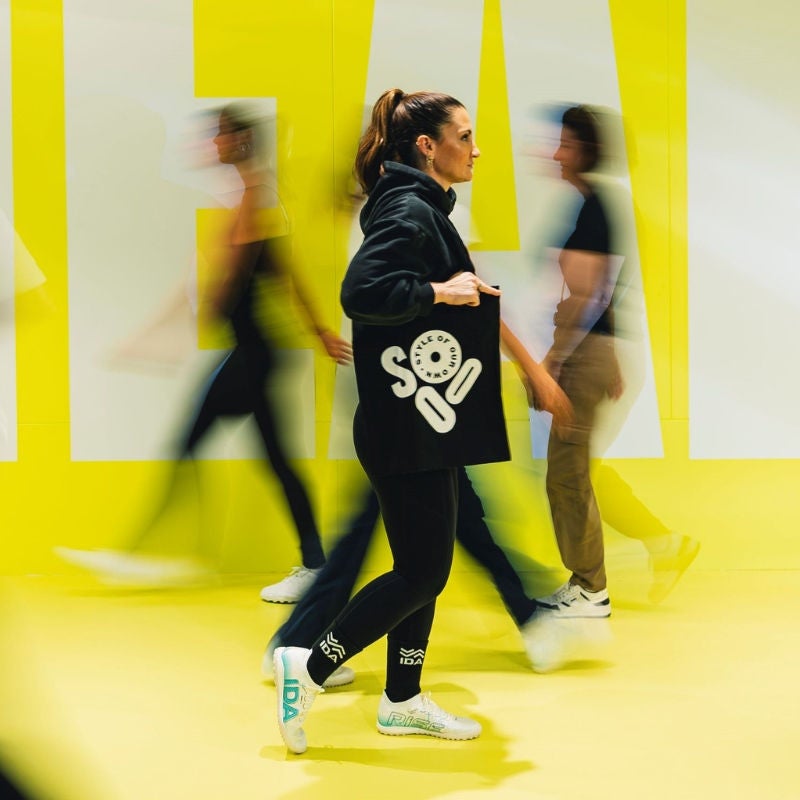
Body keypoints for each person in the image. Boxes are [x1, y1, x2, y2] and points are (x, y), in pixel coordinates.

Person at [273, 88, 518, 754]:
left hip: (419, 422)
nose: (476, 149)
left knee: (422, 565)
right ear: (426, 147)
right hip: (406, 427)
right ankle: (311, 663)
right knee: (423, 572)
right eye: (464, 137)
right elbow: (363, 291)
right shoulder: (410, 207)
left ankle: (402, 699)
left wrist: (458, 292)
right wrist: (441, 290)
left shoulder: (415, 206)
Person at [57, 104, 351, 599]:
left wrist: (192, 317)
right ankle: (312, 562)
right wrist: (317, 329)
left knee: (192, 445)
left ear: (237, 140)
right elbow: (278, 272)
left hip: (253, 353)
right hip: (254, 350)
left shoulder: (256, 195)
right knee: (272, 460)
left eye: (216, 136)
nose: (208, 144)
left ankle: (155, 553)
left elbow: (240, 277)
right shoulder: (253, 194)